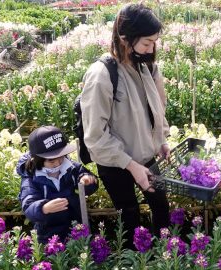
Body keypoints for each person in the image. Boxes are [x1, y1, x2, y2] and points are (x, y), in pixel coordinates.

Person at [80, 3, 170, 249]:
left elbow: (157, 108)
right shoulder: (102, 74)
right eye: (146, 43)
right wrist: (131, 166)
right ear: (124, 39)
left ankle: (166, 257)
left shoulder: (146, 66)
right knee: (129, 217)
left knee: (162, 210)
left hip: (147, 156)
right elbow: (95, 137)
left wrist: (161, 139)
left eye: (154, 42)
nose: (152, 48)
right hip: (116, 163)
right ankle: (135, 259)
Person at [17, 126, 98, 243]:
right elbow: (28, 205)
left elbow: (85, 176)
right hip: (48, 233)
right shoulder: (31, 179)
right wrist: (43, 208)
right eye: (51, 160)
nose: (58, 163)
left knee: (82, 253)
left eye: (61, 157)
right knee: (56, 259)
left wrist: (87, 181)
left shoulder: (70, 167)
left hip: (75, 224)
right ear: (38, 160)